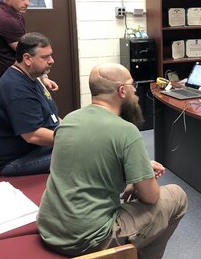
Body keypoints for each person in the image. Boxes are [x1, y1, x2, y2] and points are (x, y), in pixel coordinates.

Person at [37, 63, 188, 258]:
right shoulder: (126, 131)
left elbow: (86, 170)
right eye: (132, 85)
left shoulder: (70, 121)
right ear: (122, 91)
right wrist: (144, 179)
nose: (135, 90)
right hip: (86, 240)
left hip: (50, 229)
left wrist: (137, 170)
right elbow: (150, 197)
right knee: (176, 196)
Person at [0, 32, 60, 176]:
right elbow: (33, 135)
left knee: (81, 146)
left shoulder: (31, 77)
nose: (51, 61)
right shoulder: (16, 88)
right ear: (27, 59)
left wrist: (73, 129)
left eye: (50, 55)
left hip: (30, 149)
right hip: (10, 161)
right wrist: (72, 138)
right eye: (45, 57)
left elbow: (53, 118)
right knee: (79, 155)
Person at [0, 0, 58, 91]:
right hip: (15, 83)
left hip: (17, 79)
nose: (27, 3)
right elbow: (30, 54)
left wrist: (43, 77)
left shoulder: (14, 14)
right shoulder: (6, 20)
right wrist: (44, 76)